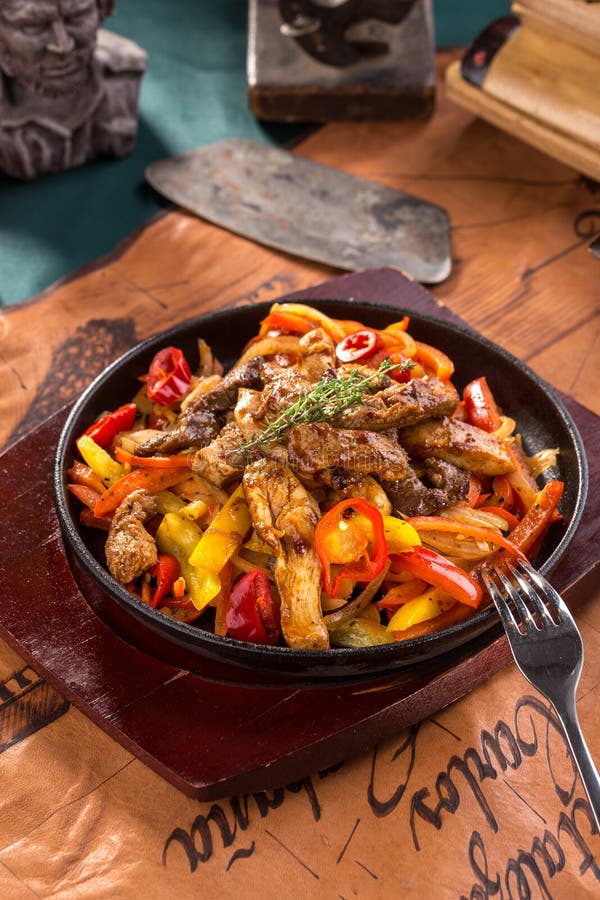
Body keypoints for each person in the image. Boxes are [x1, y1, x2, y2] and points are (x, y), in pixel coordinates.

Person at [0, 0, 146, 180]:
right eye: (32, 27)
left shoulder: (123, 75)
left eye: (77, 17)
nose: (63, 46)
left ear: (102, 11)